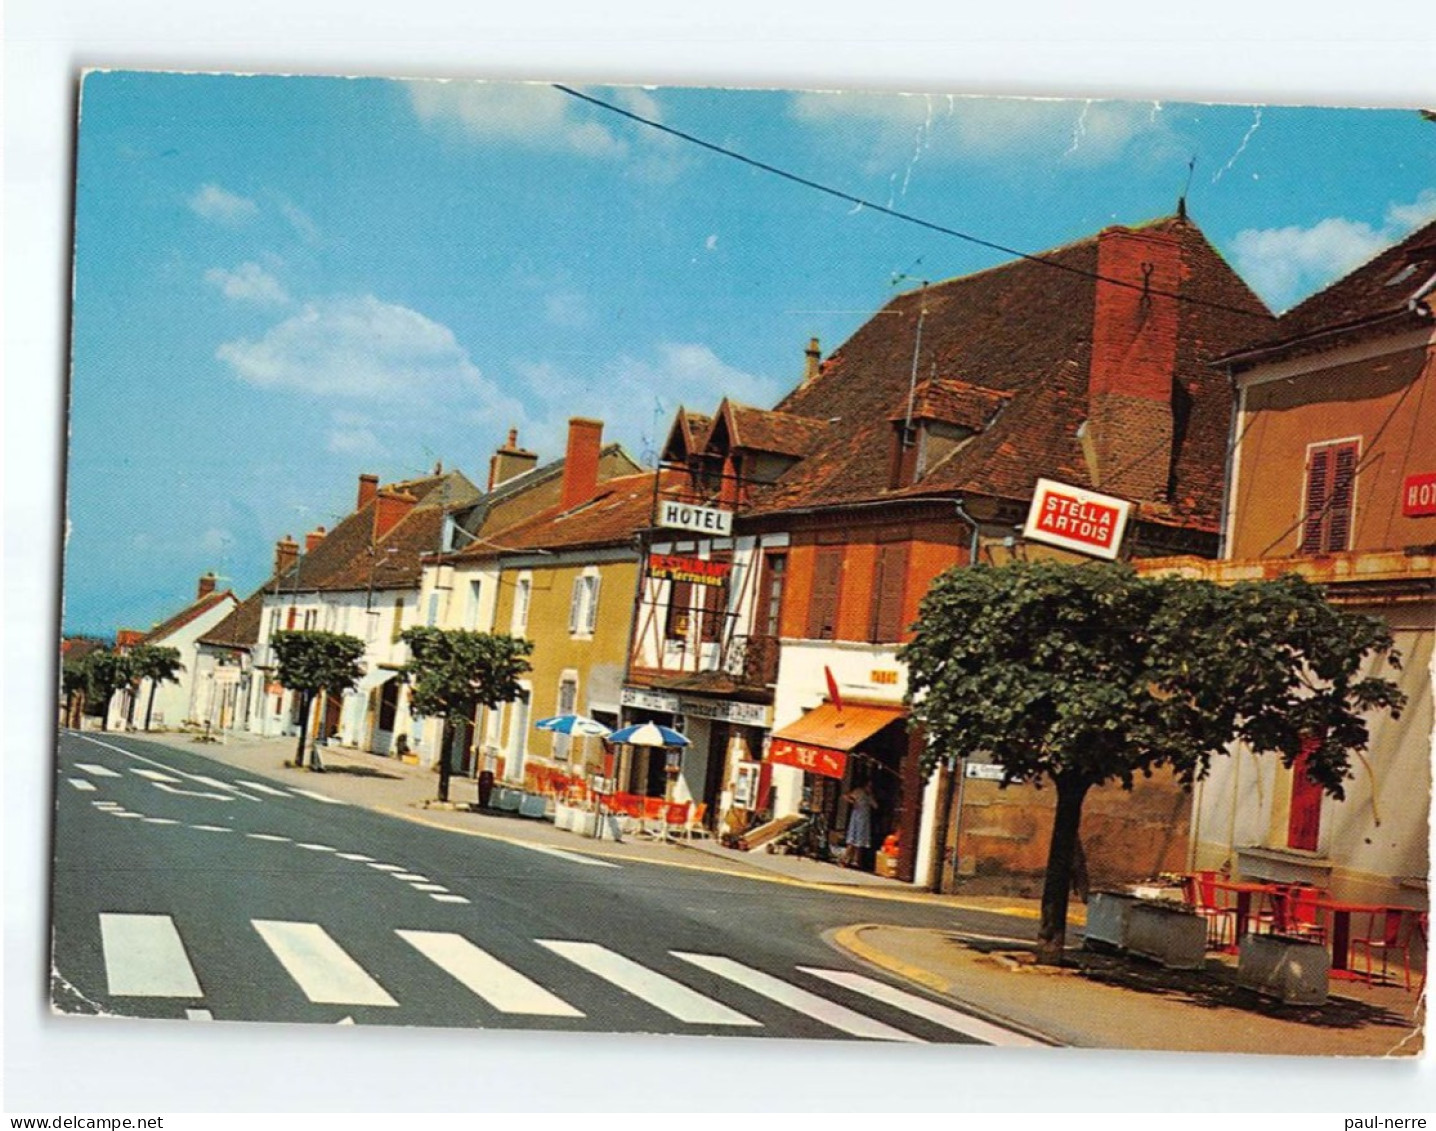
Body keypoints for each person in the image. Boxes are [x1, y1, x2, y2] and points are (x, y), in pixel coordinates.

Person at [842, 778, 878, 869]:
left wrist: (871, 796)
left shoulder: (869, 795)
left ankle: (856, 861)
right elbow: (845, 796)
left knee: (860, 841)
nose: (870, 788)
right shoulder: (858, 791)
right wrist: (852, 801)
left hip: (864, 820)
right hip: (857, 817)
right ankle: (845, 859)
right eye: (869, 786)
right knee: (852, 839)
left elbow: (875, 806)